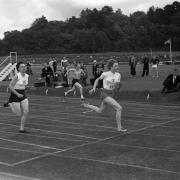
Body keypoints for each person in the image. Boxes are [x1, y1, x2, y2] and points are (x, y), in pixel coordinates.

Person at [82, 59, 127, 132]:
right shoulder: (105, 74)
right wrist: (94, 88)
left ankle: (88, 106)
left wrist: (118, 87)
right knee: (119, 108)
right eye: (115, 66)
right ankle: (119, 128)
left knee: (100, 111)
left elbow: (116, 87)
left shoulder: (118, 75)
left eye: (117, 65)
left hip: (111, 94)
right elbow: (97, 79)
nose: (117, 67)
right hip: (104, 94)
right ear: (111, 67)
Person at [5, 62, 29, 133]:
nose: (24, 68)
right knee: (18, 113)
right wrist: (18, 94)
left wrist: (29, 88)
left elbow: (24, 86)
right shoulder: (17, 76)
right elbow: (10, 86)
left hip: (23, 94)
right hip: (15, 94)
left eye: (24, 66)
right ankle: (10, 103)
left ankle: (21, 128)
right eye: (22, 67)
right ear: (18, 68)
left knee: (26, 111)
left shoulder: (27, 76)